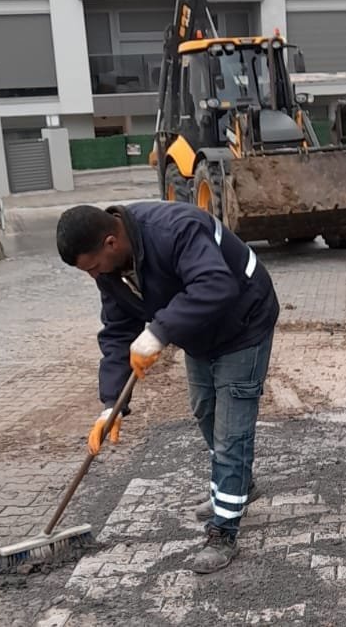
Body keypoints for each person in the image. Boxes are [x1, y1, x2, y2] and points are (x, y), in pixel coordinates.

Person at [55, 200, 279, 574]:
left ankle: (223, 532)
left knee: (230, 432)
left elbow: (215, 283)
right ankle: (240, 485)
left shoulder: (174, 228)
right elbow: (116, 332)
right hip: (200, 333)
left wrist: (158, 331)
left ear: (110, 242)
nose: (93, 276)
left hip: (245, 320)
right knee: (205, 409)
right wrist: (111, 404)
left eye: (92, 267)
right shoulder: (110, 271)